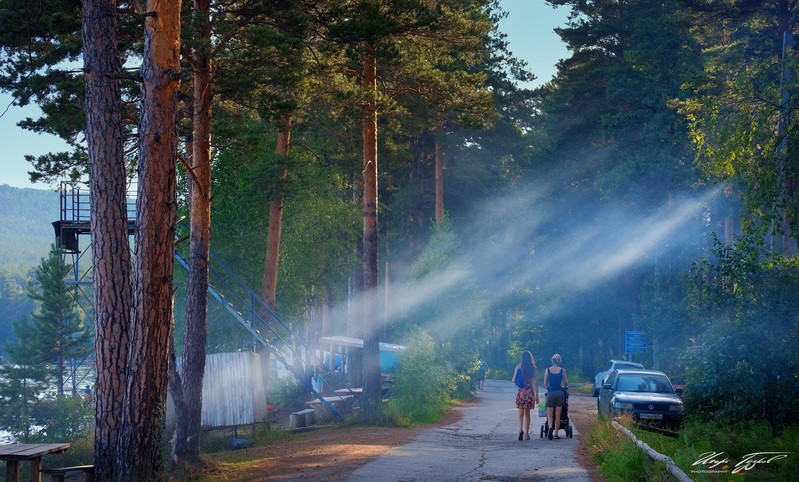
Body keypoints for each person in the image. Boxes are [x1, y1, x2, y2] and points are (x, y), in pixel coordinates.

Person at [511, 351, 539, 440]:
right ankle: (526, 434)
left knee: (520, 413)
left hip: (521, 392)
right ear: (530, 358)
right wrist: (537, 395)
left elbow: (513, 380)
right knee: (527, 414)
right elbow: (535, 382)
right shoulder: (533, 368)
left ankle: (520, 430)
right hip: (529, 392)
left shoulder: (519, 367)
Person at [543, 353, 569, 440]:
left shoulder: (547, 370)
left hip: (550, 393)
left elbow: (545, 384)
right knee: (558, 415)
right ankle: (556, 434)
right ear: (559, 361)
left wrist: (548, 387)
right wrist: (565, 387)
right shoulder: (562, 370)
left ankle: (550, 427)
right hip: (559, 393)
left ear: (552, 360)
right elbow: (566, 382)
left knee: (550, 415)